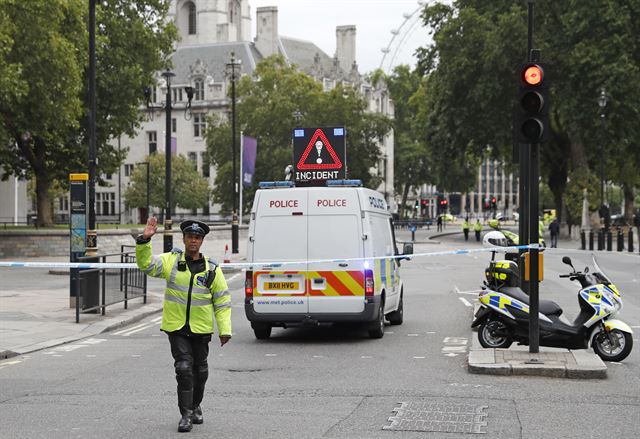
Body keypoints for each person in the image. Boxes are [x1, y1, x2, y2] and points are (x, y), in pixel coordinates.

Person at [136, 217, 232, 433]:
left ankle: (196, 405)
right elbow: (146, 265)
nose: (193, 241)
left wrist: (225, 329)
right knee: (184, 369)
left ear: (202, 241)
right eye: (190, 237)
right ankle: (186, 415)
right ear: (184, 238)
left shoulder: (212, 269)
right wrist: (144, 240)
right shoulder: (171, 261)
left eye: (197, 238)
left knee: (201, 371)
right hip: (177, 327)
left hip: (201, 328)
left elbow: (222, 301)